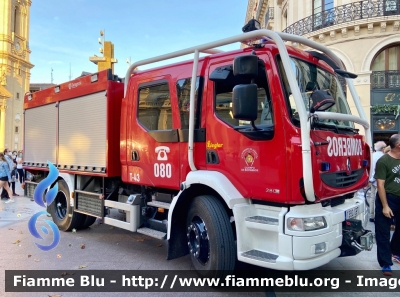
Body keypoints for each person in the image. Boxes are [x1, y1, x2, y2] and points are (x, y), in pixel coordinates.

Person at [374, 134, 400, 276]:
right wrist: (385, 206)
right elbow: (380, 184)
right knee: (383, 231)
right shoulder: (384, 161)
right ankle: (385, 262)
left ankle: (395, 251)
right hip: (388, 199)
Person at [369, 141, 386, 222]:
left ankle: (371, 215)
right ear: (383, 148)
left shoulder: (372, 155)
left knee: (372, 198)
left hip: (372, 180)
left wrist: (370, 179)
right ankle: (377, 216)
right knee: (378, 199)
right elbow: (377, 170)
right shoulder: (383, 157)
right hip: (379, 181)